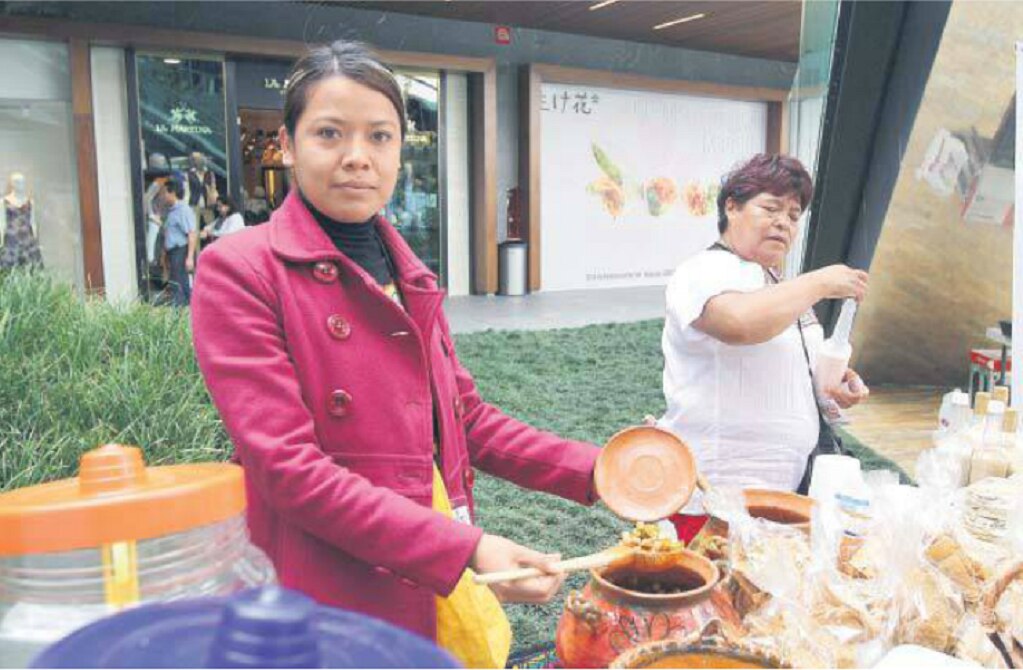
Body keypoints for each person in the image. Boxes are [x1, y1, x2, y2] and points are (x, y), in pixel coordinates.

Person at [190, 40, 600, 667]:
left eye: (380, 137)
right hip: (322, 581)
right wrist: (464, 549)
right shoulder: (240, 269)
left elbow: (463, 421)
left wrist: (601, 471)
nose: (358, 158)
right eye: (330, 133)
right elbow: (287, 470)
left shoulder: (409, 272)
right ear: (290, 146)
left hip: (420, 552)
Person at [657, 154, 870, 543]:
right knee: (706, 601)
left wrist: (836, 385)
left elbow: (793, 368)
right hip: (711, 497)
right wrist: (820, 282)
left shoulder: (780, 287)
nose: (783, 222)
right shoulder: (703, 270)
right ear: (731, 207)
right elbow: (738, 323)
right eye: (770, 207)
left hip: (780, 494)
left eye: (793, 215)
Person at [160, 178, 197, 307]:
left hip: (180, 251)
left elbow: (191, 233)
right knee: (179, 284)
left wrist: (190, 258)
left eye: (165, 192)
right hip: (172, 253)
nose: (163, 196)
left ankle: (181, 314)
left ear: (172, 193)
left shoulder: (183, 210)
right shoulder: (170, 211)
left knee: (179, 285)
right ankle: (188, 313)